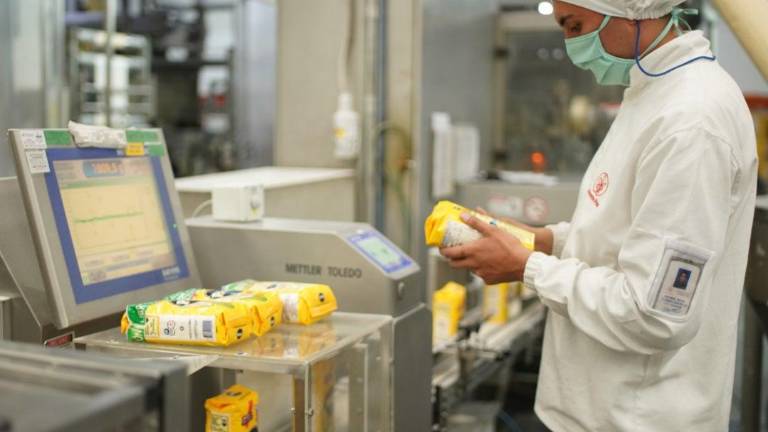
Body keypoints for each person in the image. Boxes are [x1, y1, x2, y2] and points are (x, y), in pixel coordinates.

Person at [440, 1, 757, 430]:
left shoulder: (692, 120)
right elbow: (627, 232)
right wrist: (543, 240)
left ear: (629, 7)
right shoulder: (654, 92)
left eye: (575, 25)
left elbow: (655, 315)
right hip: (597, 412)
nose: (571, 44)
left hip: (638, 419)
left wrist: (527, 267)